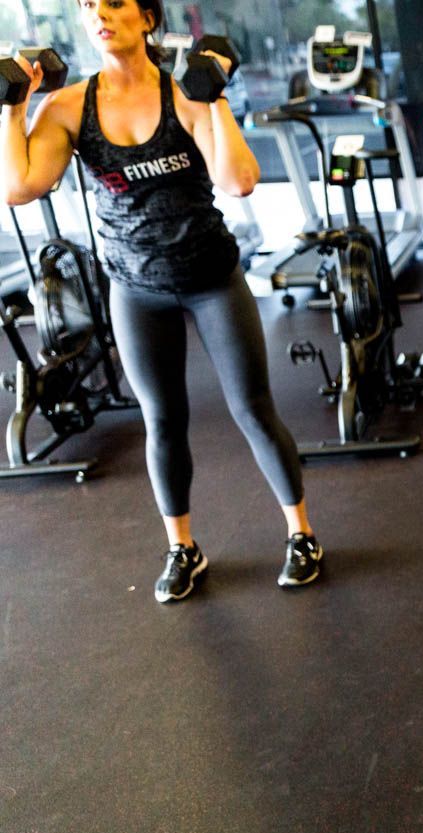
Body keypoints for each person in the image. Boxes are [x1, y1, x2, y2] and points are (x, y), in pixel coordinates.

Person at [0, 0, 322, 603]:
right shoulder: (69, 107)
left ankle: (301, 534)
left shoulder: (184, 95)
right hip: (135, 287)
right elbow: (18, 185)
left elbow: (240, 180)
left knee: (252, 410)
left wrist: (214, 96)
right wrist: (13, 105)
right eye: (88, 4)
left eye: (115, 2)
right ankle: (182, 547)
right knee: (162, 421)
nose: (99, 13)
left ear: (147, 17)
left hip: (211, 278)